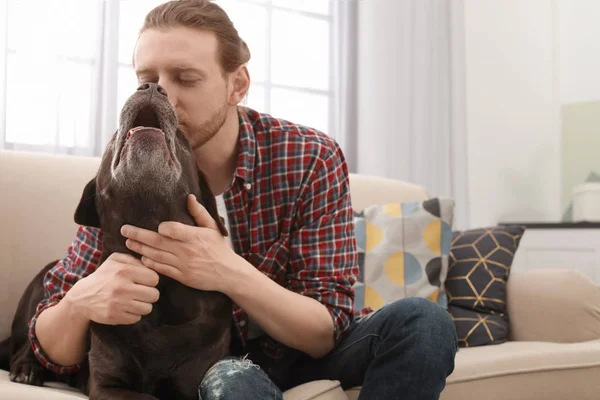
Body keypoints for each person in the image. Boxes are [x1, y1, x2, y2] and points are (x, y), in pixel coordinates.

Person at [28, 1, 457, 399]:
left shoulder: (308, 157)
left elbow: (326, 330)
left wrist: (226, 270)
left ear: (238, 83)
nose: (161, 95)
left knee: (425, 322)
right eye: (147, 81)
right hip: (217, 371)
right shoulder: (129, 163)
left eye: (186, 78)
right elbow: (46, 344)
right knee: (231, 382)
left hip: (300, 354)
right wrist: (82, 300)